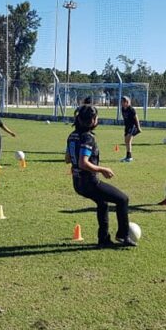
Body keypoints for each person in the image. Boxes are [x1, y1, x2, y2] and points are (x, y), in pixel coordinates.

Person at [66, 105, 136, 247]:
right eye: (96, 117)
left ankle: (103, 239)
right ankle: (123, 236)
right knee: (123, 200)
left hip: (77, 183)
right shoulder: (88, 138)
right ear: (92, 120)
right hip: (89, 182)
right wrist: (102, 169)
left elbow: (67, 158)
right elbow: (83, 163)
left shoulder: (72, 135)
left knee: (102, 203)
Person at [120, 96, 142, 162]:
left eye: (122, 102)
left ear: (126, 102)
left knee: (128, 140)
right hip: (127, 127)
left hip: (133, 126)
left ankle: (129, 157)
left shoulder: (131, 109)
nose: (121, 103)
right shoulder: (122, 109)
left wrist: (138, 127)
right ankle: (127, 156)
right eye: (121, 102)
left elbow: (136, 118)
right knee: (126, 141)